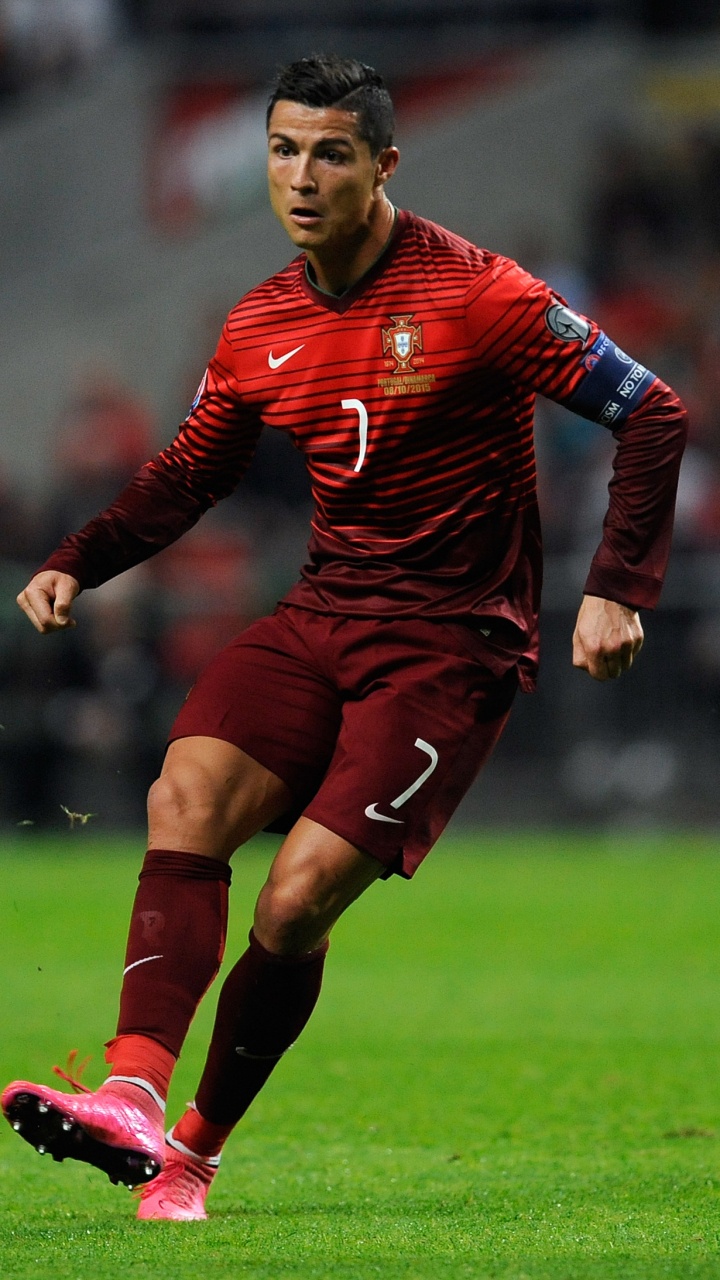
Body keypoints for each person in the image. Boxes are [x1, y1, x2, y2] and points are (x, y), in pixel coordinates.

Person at [2, 54, 688, 1221]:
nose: (302, 176)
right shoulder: (262, 319)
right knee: (185, 795)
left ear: (383, 164)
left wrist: (617, 586)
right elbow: (187, 475)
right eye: (282, 150)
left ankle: (194, 1152)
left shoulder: (480, 294)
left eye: (330, 152)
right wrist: (78, 557)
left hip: (449, 642)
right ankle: (131, 1091)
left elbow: (651, 410)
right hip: (321, 614)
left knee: (296, 900)